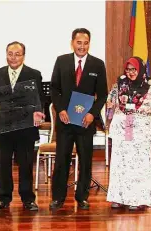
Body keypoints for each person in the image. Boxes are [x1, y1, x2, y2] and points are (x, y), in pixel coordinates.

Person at [0, 42, 43, 211]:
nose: (13, 57)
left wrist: (38, 112)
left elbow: (39, 98)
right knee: (4, 163)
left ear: (23, 56)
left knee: (26, 163)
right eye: (10, 54)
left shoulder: (33, 74)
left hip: (26, 125)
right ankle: (3, 198)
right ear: (6, 54)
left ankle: (28, 199)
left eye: (17, 54)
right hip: (4, 125)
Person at [49, 28, 108, 210]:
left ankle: (82, 196)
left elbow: (103, 94)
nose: (82, 46)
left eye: (86, 42)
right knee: (61, 161)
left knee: (85, 160)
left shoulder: (97, 64)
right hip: (66, 121)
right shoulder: (62, 61)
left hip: (85, 122)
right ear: (72, 42)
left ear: (89, 43)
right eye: (79, 42)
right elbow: (54, 89)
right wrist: (60, 110)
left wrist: (93, 114)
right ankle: (58, 197)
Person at [106, 57, 151, 210]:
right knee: (121, 163)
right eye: (128, 69)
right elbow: (111, 100)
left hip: (142, 130)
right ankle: (118, 197)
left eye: (133, 69)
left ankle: (138, 199)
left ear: (140, 69)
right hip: (122, 128)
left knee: (139, 165)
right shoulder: (120, 83)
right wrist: (109, 105)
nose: (130, 73)